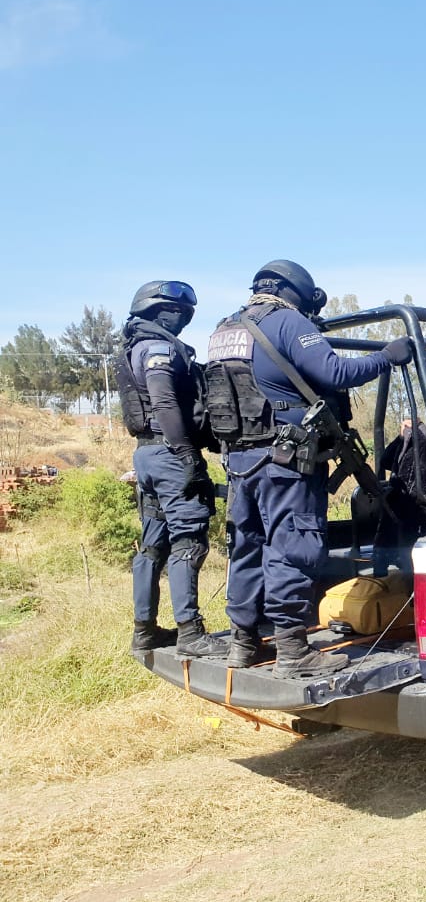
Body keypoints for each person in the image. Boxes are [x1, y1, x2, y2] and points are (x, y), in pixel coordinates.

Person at [205, 260, 413, 677]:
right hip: (283, 462)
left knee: (247, 548)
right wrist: (387, 356)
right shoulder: (285, 321)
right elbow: (334, 372)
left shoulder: (224, 330)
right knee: (291, 547)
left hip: (240, 462)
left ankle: (243, 644)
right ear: (295, 290)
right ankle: (293, 651)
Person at [120, 281, 228, 657]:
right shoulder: (159, 349)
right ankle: (190, 633)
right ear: (158, 311)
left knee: (153, 545)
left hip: (146, 455)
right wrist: (188, 456)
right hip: (169, 456)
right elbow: (165, 402)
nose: (182, 317)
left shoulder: (137, 345)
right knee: (189, 542)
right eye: (177, 310)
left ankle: (145, 630)